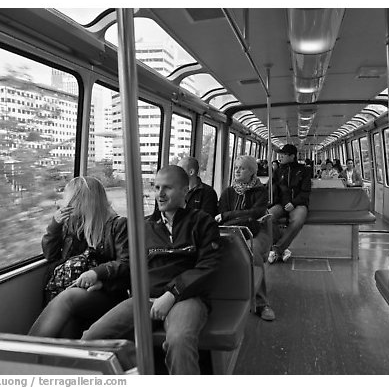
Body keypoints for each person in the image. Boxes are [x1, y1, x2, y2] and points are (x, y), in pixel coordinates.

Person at [80, 165, 222, 375]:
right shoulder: (144, 227)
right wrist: (104, 279)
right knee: (92, 338)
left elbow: (208, 267)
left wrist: (172, 294)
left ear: (185, 190)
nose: (160, 194)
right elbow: (132, 266)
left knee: (179, 341)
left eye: (167, 188)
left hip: (187, 298)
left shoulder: (202, 223)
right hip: (145, 297)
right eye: (156, 188)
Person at [29, 176, 130, 339]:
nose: (66, 206)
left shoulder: (118, 226)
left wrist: (97, 274)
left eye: (71, 201)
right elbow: (51, 255)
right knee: (68, 321)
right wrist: (55, 225)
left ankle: (26, 352)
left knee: (68, 297)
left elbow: (126, 264)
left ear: (84, 202)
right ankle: (66, 361)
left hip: (107, 290)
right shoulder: (74, 226)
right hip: (76, 288)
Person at [216, 155, 275, 321]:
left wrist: (230, 215)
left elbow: (256, 213)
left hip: (257, 232)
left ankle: (262, 303)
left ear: (252, 172)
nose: (237, 170)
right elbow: (223, 215)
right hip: (232, 231)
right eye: (236, 167)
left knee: (251, 251)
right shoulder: (228, 192)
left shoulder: (260, 191)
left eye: (242, 168)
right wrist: (242, 217)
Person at [268, 144, 311, 263]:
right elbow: (272, 189)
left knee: (298, 220)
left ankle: (277, 249)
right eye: (279, 154)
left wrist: (293, 203)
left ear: (292, 156)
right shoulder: (277, 171)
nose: (280, 157)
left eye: (284, 154)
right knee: (268, 217)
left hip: (299, 204)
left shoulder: (304, 170)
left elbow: (305, 191)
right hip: (281, 204)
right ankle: (282, 247)